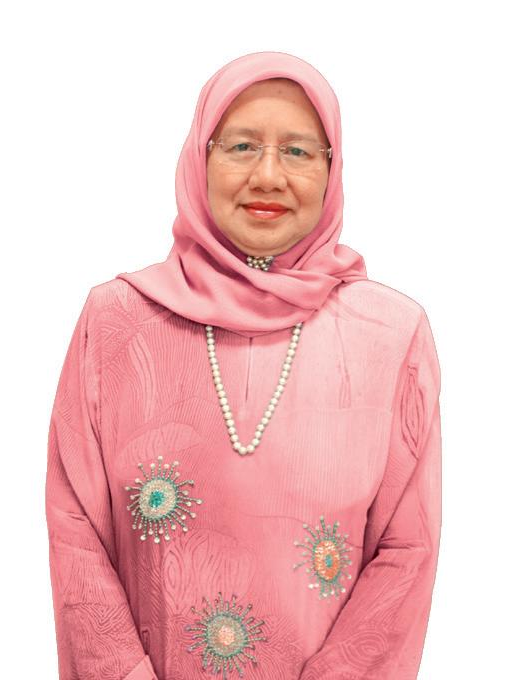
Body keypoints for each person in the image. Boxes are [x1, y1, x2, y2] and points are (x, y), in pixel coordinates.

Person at [45, 51, 442, 680]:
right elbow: (75, 530)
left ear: (332, 169)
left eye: (298, 151)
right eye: (241, 147)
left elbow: (406, 548)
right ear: (198, 159)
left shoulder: (392, 336)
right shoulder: (117, 321)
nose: (268, 176)